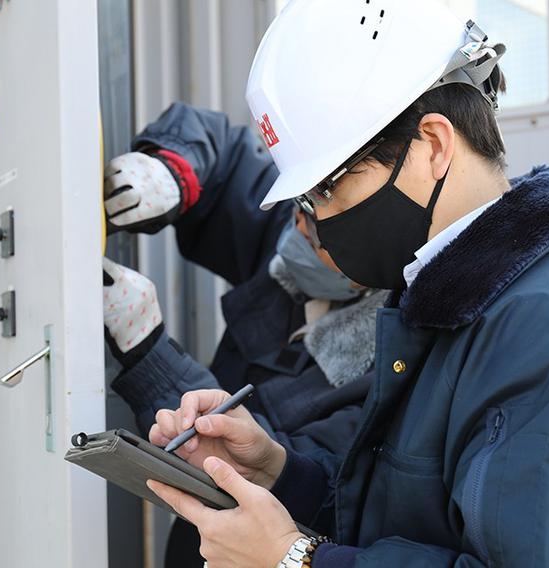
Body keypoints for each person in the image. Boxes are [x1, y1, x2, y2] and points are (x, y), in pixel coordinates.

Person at [145, 1, 549, 566]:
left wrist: (296, 559)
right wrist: (278, 472)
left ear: (433, 145)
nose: (320, 222)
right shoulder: (446, 311)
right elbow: (411, 518)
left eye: (329, 187)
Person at [101, 102, 388, 566]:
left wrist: (148, 349)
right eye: (301, 207)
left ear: (369, 267)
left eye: (315, 230)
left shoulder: (391, 366)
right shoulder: (307, 240)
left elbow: (293, 478)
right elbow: (225, 151)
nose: (296, 230)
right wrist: (172, 171)